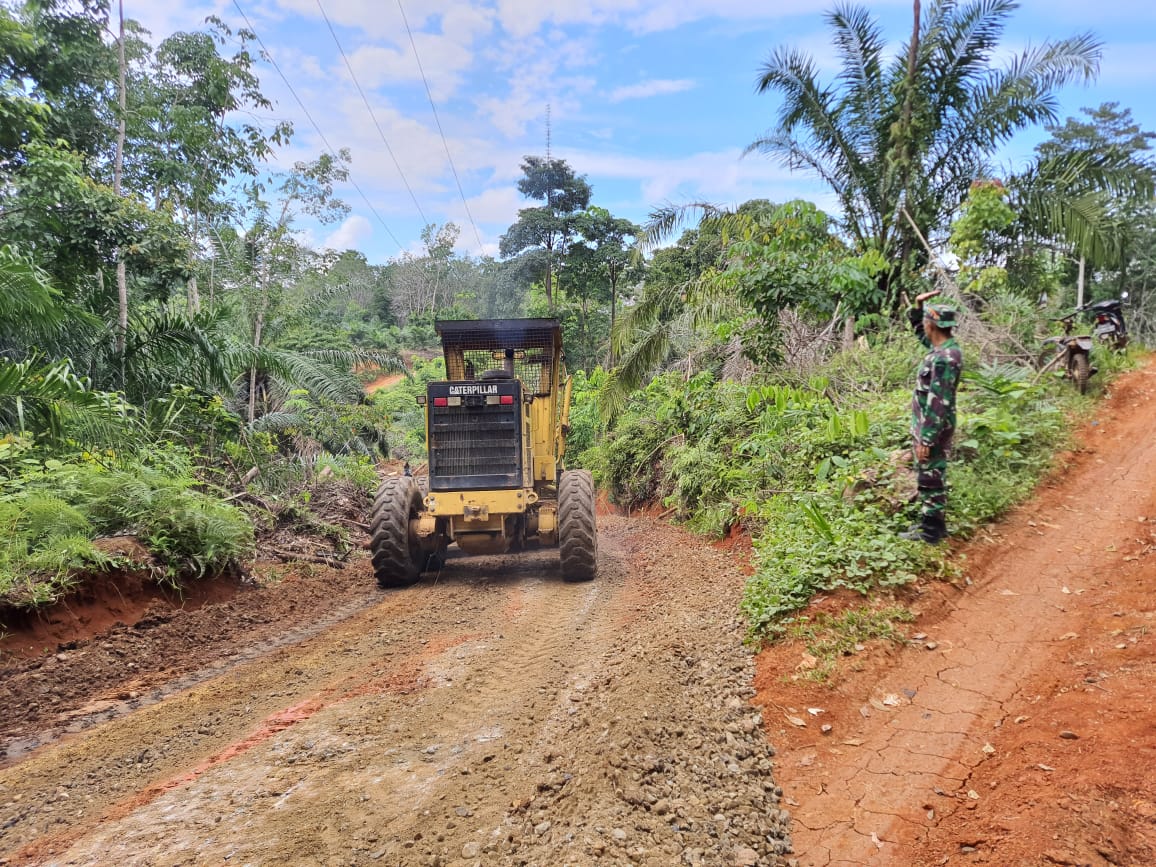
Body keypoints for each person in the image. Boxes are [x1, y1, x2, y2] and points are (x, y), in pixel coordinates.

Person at [901, 289, 963, 544]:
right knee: (929, 474)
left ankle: (931, 531)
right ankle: (932, 524)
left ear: (932, 325)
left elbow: (939, 402)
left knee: (931, 474)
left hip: (934, 427)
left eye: (925, 321)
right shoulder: (940, 349)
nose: (923, 327)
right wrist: (917, 306)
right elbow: (918, 331)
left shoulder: (946, 358)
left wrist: (926, 439)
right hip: (929, 426)